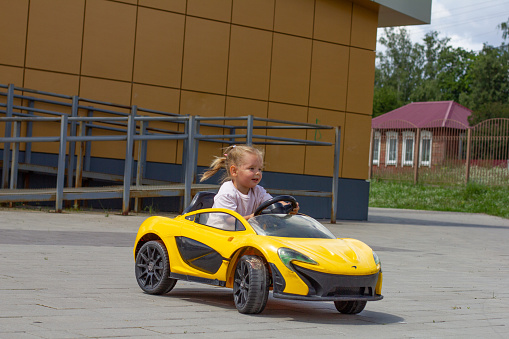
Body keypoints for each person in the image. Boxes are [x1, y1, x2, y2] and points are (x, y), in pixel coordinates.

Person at [200, 145, 299, 220]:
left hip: (243, 236)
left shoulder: (258, 191)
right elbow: (229, 220)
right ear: (234, 171)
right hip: (220, 235)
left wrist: (286, 206)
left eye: (260, 169)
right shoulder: (227, 192)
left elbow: (271, 203)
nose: (257, 173)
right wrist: (253, 216)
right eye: (251, 168)